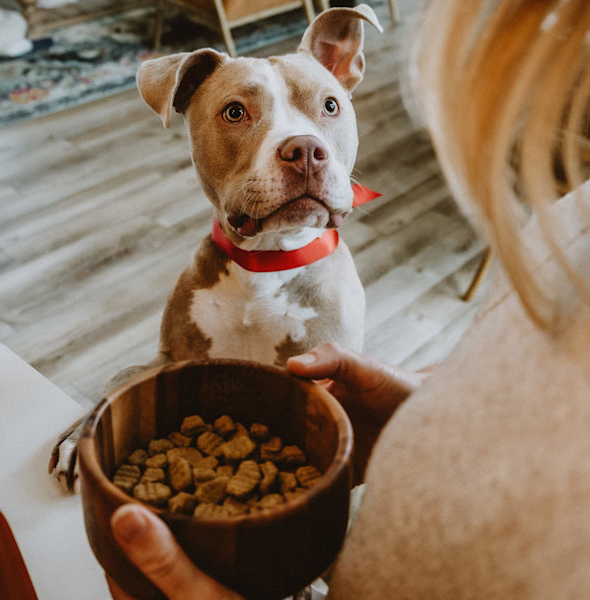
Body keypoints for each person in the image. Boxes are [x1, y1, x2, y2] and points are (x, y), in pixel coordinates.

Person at [108, 0, 590, 598]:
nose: (302, 146)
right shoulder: (570, 228)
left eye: (327, 107)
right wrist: (428, 407)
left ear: (349, 72)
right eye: (237, 112)